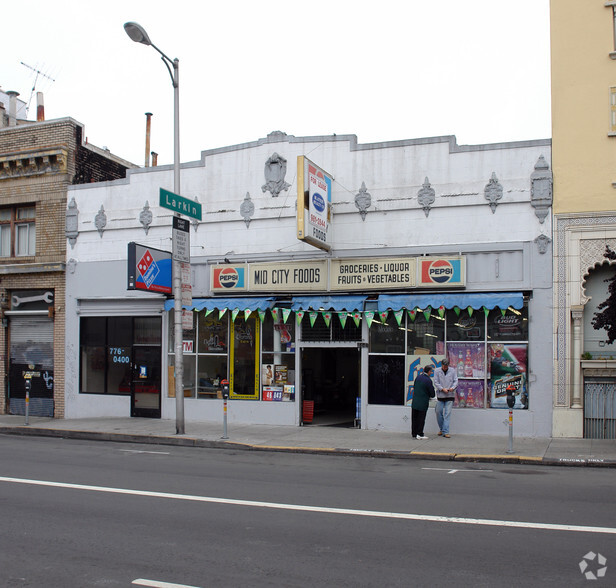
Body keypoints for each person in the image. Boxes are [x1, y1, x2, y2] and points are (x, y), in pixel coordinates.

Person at [434, 357, 458, 438]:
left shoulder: (452, 370)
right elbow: (436, 382)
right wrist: (441, 388)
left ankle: (446, 431)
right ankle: (442, 429)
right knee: (438, 412)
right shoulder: (437, 371)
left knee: (447, 414)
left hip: (450, 395)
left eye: (446, 366)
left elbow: (456, 381)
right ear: (441, 365)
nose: (445, 367)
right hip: (441, 395)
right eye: (444, 366)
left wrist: (452, 388)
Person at [411, 365, 435, 440]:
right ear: (428, 371)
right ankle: (420, 434)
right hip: (422, 403)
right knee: (421, 419)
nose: (431, 372)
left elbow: (415, 387)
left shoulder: (418, 377)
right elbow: (432, 393)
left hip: (415, 402)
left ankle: (414, 433)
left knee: (414, 418)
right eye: (431, 371)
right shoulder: (428, 380)